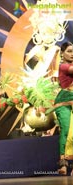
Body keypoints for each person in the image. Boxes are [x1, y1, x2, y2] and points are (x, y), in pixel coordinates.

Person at [53, 41, 73, 175]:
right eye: (69, 51)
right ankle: (63, 165)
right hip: (64, 103)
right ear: (62, 53)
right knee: (66, 129)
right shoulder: (64, 66)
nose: (72, 54)